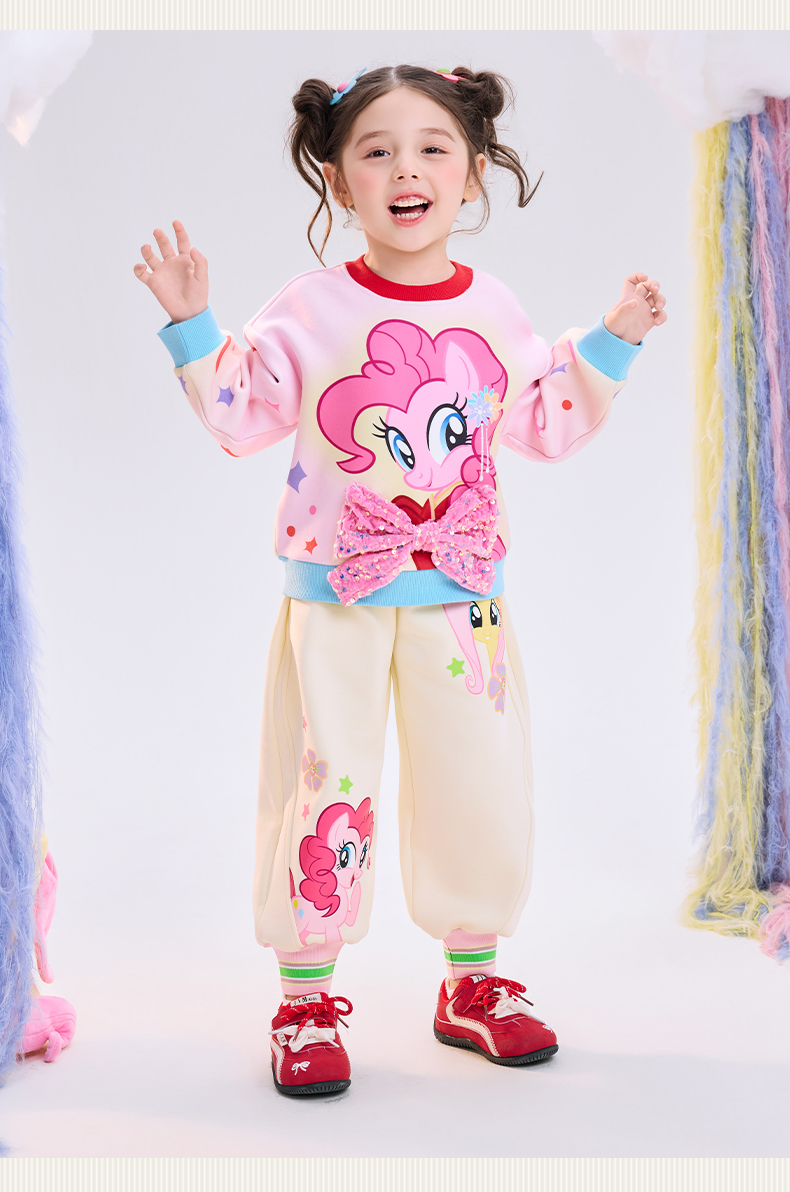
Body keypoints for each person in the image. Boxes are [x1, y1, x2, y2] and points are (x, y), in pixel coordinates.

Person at [134, 63, 666, 1097]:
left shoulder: (495, 307)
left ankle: (474, 981)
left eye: (433, 148)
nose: (406, 170)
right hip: (334, 595)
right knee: (324, 782)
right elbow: (243, 415)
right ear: (339, 180)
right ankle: (304, 998)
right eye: (376, 151)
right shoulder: (311, 306)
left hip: (463, 600)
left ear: (474, 173)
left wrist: (614, 341)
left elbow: (542, 421)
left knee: (479, 781)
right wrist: (194, 325)